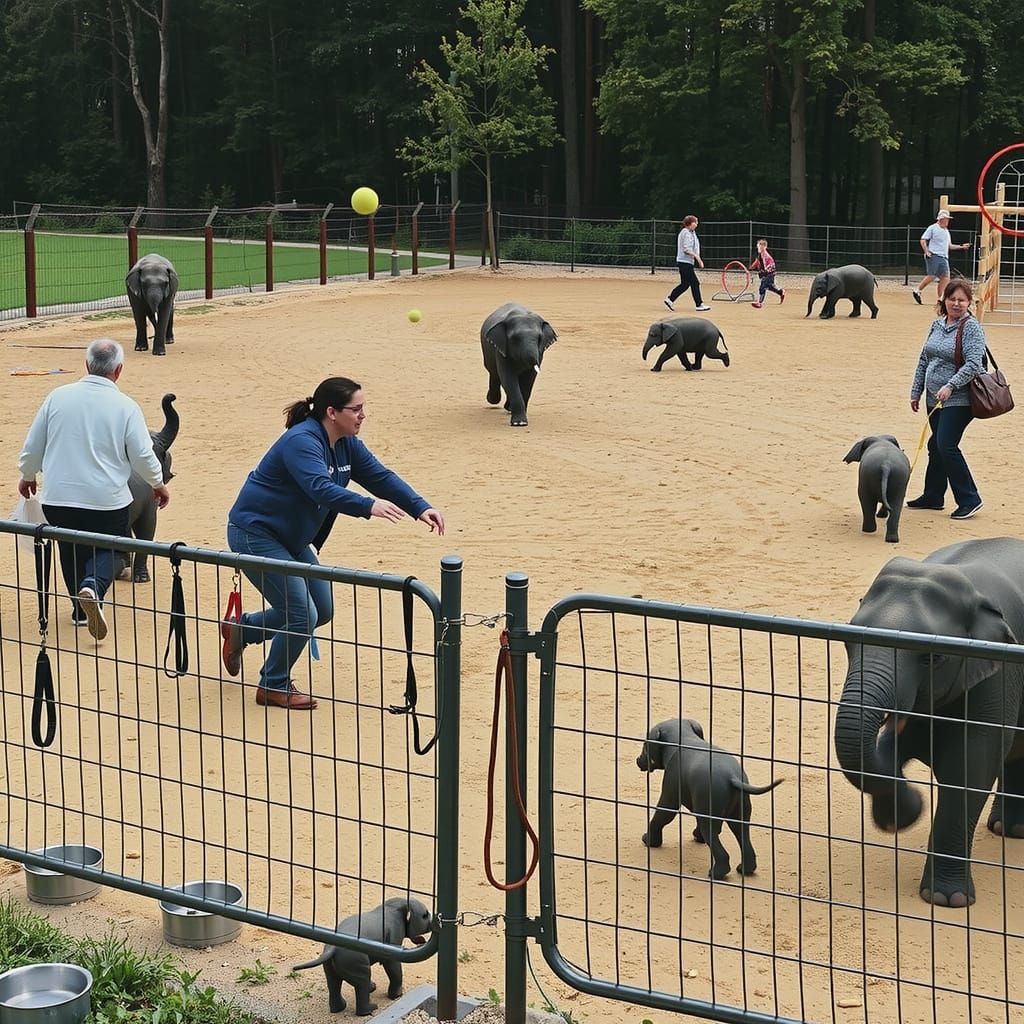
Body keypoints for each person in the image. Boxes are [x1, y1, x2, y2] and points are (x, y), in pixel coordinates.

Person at [222, 376, 445, 711]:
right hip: (256, 533)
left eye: (362, 408)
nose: (362, 415)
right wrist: (367, 506)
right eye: (356, 409)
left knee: (321, 610)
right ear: (331, 412)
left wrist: (420, 506)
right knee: (301, 613)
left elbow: (380, 476)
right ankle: (273, 685)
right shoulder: (302, 442)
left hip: (291, 538)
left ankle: (243, 630)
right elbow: (319, 488)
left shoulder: (345, 443)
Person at [17, 338, 170, 640]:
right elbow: (142, 455)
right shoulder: (126, 406)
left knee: (68, 547)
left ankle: (78, 610)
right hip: (107, 500)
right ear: (119, 371)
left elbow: (34, 444)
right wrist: (158, 483)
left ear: (86, 365)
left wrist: (28, 474)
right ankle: (93, 587)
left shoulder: (57, 397)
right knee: (115, 547)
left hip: (58, 498)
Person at [907, 280, 986, 520]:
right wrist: (916, 390)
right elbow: (924, 359)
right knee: (935, 445)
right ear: (944, 300)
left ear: (968, 303)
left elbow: (974, 363)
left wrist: (951, 385)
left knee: (946, 445)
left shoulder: (971, 328)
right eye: (952, 298)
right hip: (934, 398)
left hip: (960, 398)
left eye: (962, 300)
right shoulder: (937, 325)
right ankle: (933, 496)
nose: (956, 303)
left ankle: (970, 498)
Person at [912, 209, 971, 305]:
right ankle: (917, 290)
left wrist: (961, 247)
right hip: (934, 254)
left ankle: (941, 298)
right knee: (932, 275)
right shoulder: (933, 228)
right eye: (946, 219)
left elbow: (949, 246)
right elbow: (923, 240)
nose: (948, 221)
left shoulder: (946, 231)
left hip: (944, 257)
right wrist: (926, 251)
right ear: (941, 219)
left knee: (945, 277)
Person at [664, 215, 711, 313]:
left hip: (687, 262)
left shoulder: (691, 233)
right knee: (695, 283)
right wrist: (699, 259)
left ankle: (670, 299)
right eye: (695, 222)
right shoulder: (685, 232)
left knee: (685, 284)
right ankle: (699, 304)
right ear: (691, 223)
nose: (697, 224)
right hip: (684, 262)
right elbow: (686, 249)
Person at [748, 239, 785, 308]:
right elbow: (756, 262)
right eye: (758, 246)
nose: (758, 247)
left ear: (764, 246)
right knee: (770, 287)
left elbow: (770, 266)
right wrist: (750, 268)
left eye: (759, 246)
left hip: (769, 274)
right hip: (768, 274)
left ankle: (759, 302)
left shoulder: (766, 256)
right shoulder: (760, 255)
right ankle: (781, 292)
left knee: (762, 287)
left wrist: (764, 272)